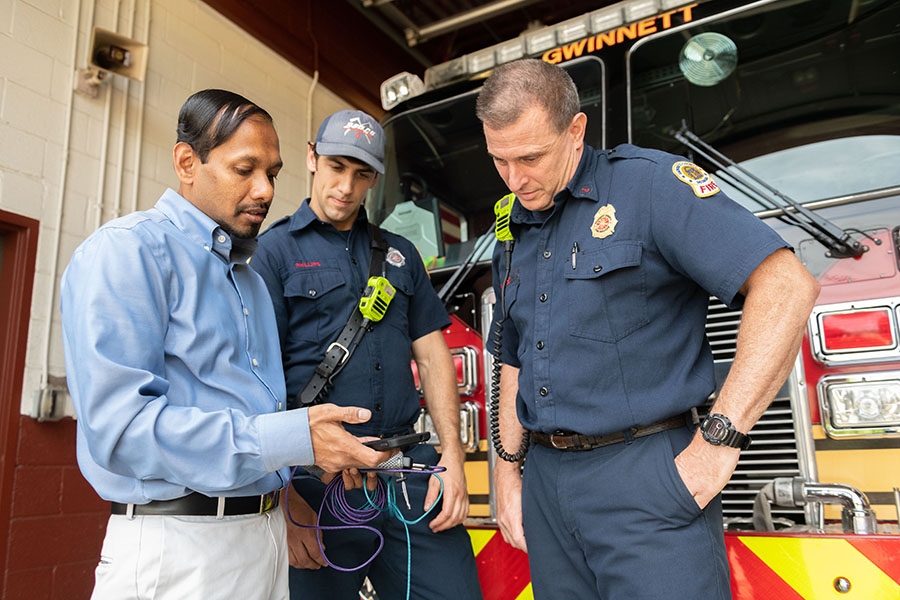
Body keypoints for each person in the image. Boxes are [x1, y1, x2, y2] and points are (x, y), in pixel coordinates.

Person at [477, 59, 820, 599]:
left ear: (576, 131)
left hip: (646, 477)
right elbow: (511, 359)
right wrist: (507, 479)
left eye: (531, 158)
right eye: (499, 161)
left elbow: (787, 286)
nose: (516, 179)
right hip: (546, 487)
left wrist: (720, 443)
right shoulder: (512, 229)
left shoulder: (650, 185)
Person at [60, 90, 391, 600]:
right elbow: (123, 431)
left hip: (263, 543)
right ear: (187, 162)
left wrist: (303, 470)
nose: (264, 190)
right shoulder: (127, 253)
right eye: (245, 169)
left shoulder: (250, 281)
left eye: (273, 173)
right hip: (178, 552)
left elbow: (248, 412)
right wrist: (290, 439)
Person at [251, 109, 483, 600]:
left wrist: (454, 461)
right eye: (336, 167)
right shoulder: (273, 253)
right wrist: (282, 503)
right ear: (312, 159)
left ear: (375, 179)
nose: (346, 187)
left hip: (409, 478)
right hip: (315, 487)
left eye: (361, 175)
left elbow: (434, 355)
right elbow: (256, 379)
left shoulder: (401, 255)